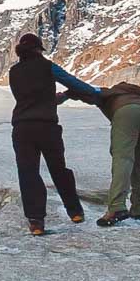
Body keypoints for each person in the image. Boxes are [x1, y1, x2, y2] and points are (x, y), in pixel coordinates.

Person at [7, 33, 101, 236]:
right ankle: (75, 212)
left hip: (22, 128)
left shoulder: (13, 72)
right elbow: (74, 84)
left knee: (28, 173)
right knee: (58, 169)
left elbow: (31, 99)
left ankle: (36, 222)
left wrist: (53, 99)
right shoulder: (47, 66)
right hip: (47, 127)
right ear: (39, 49)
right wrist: (95, 94)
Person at [92, 81, 140, 226]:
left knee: (122, 159)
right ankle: (139, 209)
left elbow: (86, 91)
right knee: (139, 163)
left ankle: (117, 207)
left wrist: (66, 94)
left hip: (127, 114)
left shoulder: (113, 92)